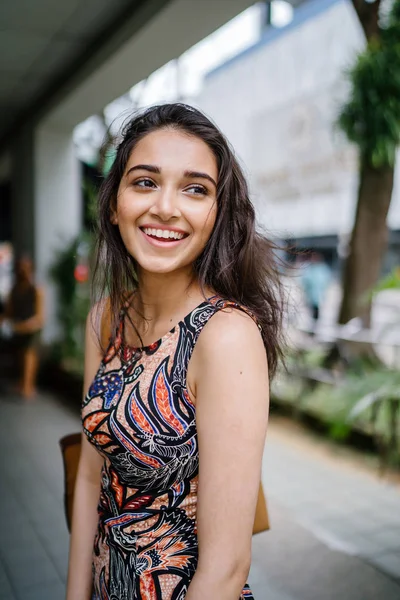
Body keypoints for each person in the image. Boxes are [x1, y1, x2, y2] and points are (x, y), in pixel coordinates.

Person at [66, 103, 284, 600]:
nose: (166, 207)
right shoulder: (104, 317)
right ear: (115, 203)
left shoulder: (225, 336)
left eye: (195, 189)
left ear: (216, 214)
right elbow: (88, 480)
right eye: (144, 182)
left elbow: (227, 567)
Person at [3, 256, 44, 398]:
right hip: (18, 329)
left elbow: (39, 316)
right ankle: (23, 383)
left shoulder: (36, 289)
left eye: (26, 267)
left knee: (29, 354)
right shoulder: (14, 290)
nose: (23, 270)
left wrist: (27, 325)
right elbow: (8, 312)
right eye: (21, 267)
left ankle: (28, 386)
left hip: (31, 329)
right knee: (20, 356)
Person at [299, 252, 331, 324]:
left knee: (315, 311)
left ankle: (314, 326)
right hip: (310, 295)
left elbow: (325, 281)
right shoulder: (309, 268)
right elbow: (304, 280)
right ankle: (312, 325)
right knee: (310, 311)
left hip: (317, 295)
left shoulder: (322, 269)